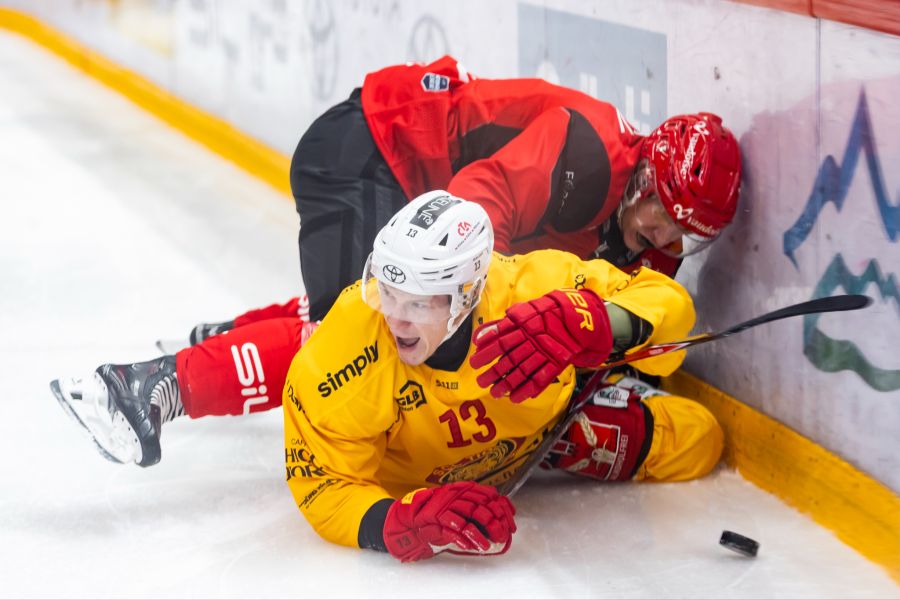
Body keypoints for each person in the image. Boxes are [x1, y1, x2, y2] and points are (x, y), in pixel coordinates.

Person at [50, 55, 741, 469]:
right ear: (645, 175)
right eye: (663, 211)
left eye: (688, 234)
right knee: (365, 336)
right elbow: (469, 216)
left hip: (403, 174)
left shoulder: (645, 229)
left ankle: (230, 340)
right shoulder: (585, 159)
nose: (666, 237)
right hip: (368, 153)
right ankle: (147, 387)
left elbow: (625, 326)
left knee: (397, 311)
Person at [280, 191, 720, 561]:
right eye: (388, 293)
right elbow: (323, 484)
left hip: (542, 437)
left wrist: (597, 323)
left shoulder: (531, 287)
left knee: (696, 439)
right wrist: (400, 521)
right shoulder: (347, 347)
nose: (395, 319)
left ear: (466, 293)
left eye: (418, 303)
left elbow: (671, 310)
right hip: (425, 492)